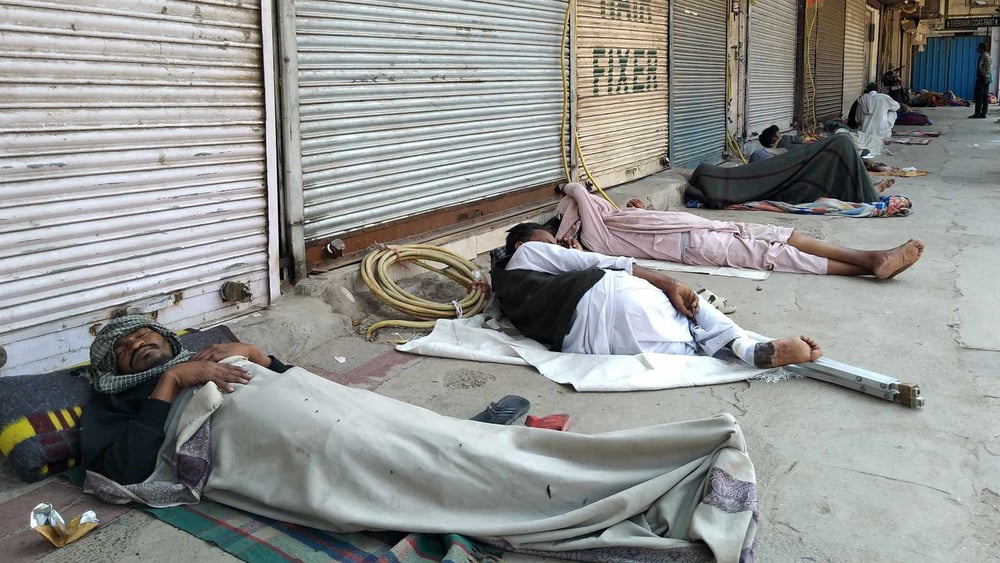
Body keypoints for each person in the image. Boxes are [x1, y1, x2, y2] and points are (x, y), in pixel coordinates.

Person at [80, 315, 759, 561]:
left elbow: (306, 383)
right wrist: (176, 383)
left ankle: (648, 465)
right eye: (133, 352)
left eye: (152, 339)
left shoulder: (219, 355)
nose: (147, 347)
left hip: (312, 403)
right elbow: (132, 471)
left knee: (442, 437)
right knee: (411, 465)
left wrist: (261, 358)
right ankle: (588, 496)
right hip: (275, 442)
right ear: (116, 373)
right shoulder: (116, 412)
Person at [493, 222, 823, 368]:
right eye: (549, 243)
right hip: (609, 295)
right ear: (523, 244)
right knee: (692, 309)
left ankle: (734, 351)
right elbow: (598, 261)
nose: (554, 247)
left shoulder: (507, 294)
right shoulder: (527, 252)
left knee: (687, 344)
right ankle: (747, 348)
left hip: (592, 345)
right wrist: (669, 283)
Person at [557, 182, 923, 278]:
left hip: (704, 228)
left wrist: (632, 209)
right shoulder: (595, 234)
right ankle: (869, 264)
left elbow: (598, 203)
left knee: (781, 235)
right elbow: (578, 190)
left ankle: (870, 259)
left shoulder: (609, 219)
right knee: (775, 256)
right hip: (693, 245)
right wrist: (570, 191)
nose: (593, 199)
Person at [688, 134, 891, 208]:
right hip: (786, 172)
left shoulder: (829, 164)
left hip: (804, 176)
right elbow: (783, 168)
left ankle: (871, 188)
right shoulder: (782, 145)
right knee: (842, 144)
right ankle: (871, 189)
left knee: (842, 147)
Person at [971, 42, 993, 119]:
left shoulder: (982, 56)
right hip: (988, 78)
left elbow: (980, 67)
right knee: (985, 96)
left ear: (982, 49)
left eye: (979, 48)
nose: (977, 49)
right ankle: (983, 113)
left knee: (979, 96)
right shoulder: (989, 56)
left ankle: (977, 113)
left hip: (982, 78)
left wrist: (981, 73)